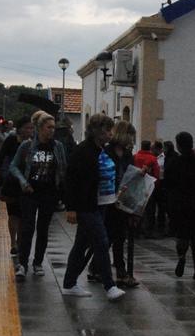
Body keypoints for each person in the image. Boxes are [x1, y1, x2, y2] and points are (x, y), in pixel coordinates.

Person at [60, 113, 125, 301]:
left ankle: (69, 283)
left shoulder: (100, 150)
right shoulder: (83, 151)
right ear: (97, 131)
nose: (111, 133)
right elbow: (71, 180)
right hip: (87, 206)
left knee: (81, 244)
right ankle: (109, 286)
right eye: (107, 130)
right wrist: (71, 208)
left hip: (100, 203)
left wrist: (114, 196)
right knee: (101, 242)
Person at [9, 112, 63, 281]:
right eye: (48, 127)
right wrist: (23, 182)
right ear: (39, 128)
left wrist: (62, 191)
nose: (52, 130)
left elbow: (63, 168)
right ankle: (22, 264)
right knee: (27, 228)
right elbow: (13, 166)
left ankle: (38, 262)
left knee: (43, 229)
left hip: (49, 193)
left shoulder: (57, 146)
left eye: (53, 127)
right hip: (30, 192)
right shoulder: (27, 146)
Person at [162, 132, 195, 280]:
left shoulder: (174, 162)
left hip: (180, 206)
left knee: (182, 235)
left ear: (178, 145)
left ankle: (182, 256)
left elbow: (166, 183)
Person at [105, 120, 140, 288]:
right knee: (109, 237)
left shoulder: (127, 155)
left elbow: (130, 174)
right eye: (130, 136)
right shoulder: (107, 151)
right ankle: (101, 268)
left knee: (118, 236)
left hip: (122, 200)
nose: (132, 140)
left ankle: (119, 271)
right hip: (107, 198)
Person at [0, 116, 32, 257]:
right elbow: (1, 156)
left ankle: (20, 241)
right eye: (27, 128)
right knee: (13, 213)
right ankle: (13, 242)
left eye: (31, 128)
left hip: (26, 182)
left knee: (23, 214)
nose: (30, 130)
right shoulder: (11, 140)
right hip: (11, 181)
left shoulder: (33, 142)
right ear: (20, 128)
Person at [132, 140, 161, 238]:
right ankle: (148, 231)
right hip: (149, 187)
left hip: (137, 186)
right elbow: (156, 174)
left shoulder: (135, 156)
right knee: (150, 210)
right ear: (150, 148)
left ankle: (136, 230)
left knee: (137, 208)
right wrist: (156, 185)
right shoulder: (153, 158)